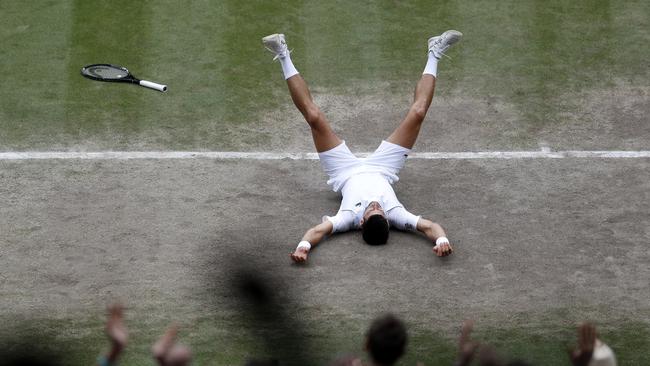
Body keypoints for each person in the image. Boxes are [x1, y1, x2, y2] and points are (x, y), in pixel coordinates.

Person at [261, 30, 462, 263]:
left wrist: (303, 247)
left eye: (371, 210)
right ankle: (434, 53)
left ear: (361, 221)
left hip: (343, 171)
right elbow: (430, 227)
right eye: (380, 211)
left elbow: (316, 232)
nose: (376, 206)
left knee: (314, 116)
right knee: (417, 113)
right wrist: (442, 240)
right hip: (383, 168)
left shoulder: (347, 217)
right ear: (387, 219)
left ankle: (283, 54)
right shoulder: (397, 215)